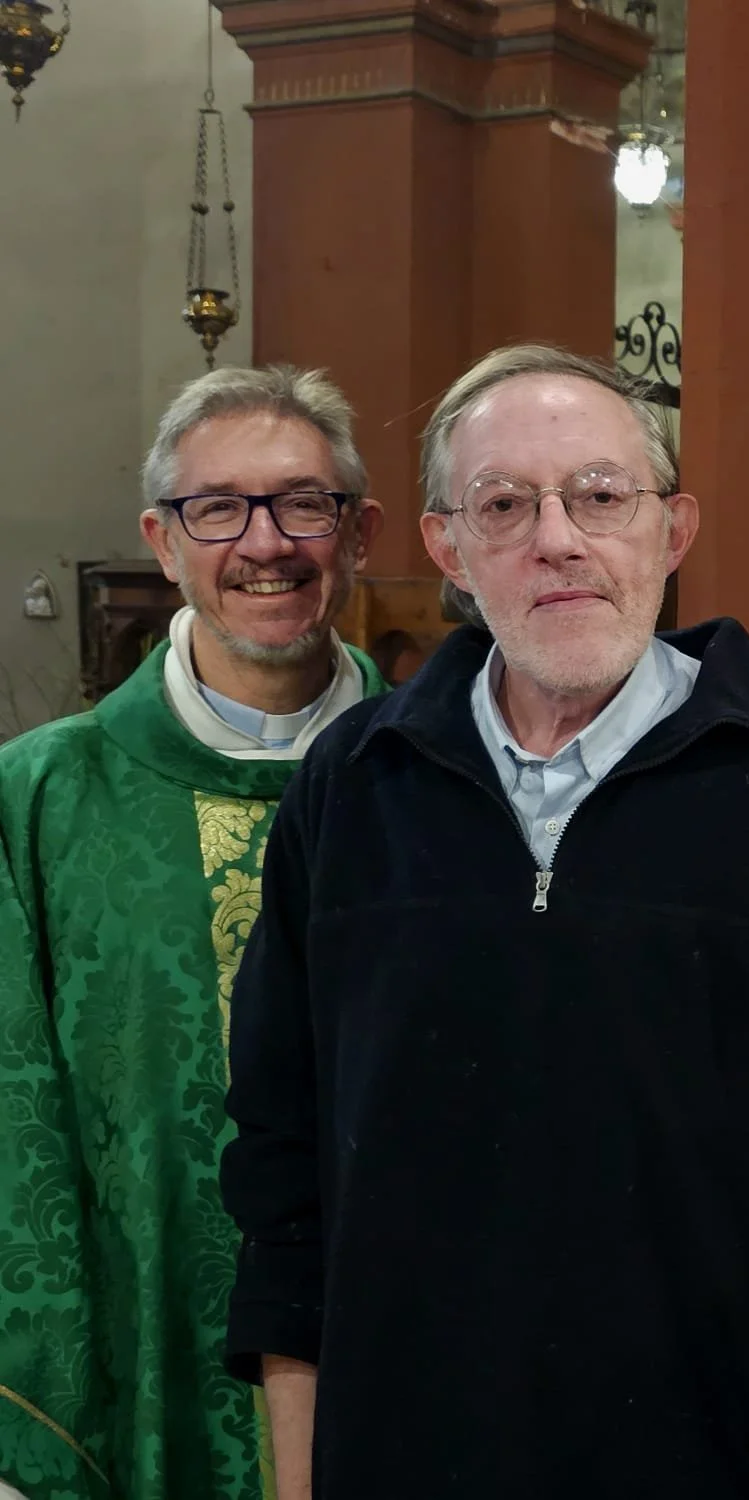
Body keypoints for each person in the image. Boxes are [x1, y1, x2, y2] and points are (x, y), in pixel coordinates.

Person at [221, 344, 749, 1500]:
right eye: (504, 504)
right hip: (405, 1455)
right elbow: (284, 1179)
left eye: (599, 495)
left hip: (724, 1457)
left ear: (670, 532)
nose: (557, 538)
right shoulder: (352, 789)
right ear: (449, 550)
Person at [0, 366, 385, 1500]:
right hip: (141, 1376)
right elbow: (13, 1126)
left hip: (405, 1361)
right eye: (218, 508)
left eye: (302, 504)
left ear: (357, 534)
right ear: (162, 542)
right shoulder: (37, 802)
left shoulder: (449, 785)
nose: (264, 543)